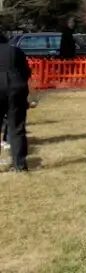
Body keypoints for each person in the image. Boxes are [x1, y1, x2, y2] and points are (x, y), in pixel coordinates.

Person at [1, 31, 32, 173]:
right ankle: (20, 165)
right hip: (16, 88)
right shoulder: (16, 51)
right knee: (17, 128)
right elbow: (26, 72)